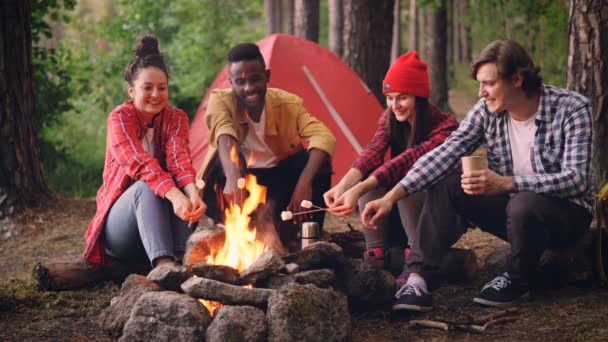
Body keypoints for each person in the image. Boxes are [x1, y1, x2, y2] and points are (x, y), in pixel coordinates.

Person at [362, 39, 594, 312]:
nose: (481, 92)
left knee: (524, 201)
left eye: (489, 83)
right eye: (479, 84)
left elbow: (577, 178)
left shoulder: (572, 108)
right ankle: (417, 277)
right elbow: (445, 153)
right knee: (449, 181)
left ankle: (517, 278)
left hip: (565, 218)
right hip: (514, 216)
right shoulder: (487, 111)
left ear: (517, 79)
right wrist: (391, 197)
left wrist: (508, 183)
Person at [323, 51, 458, 285]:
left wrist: (358, 188)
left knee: (408, 186)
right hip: (395, 215)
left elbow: (408, 160)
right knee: (375, 186)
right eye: (390, 97)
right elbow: (373, 152)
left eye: (403, 97)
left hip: (437, 218)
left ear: (420, 97)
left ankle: (416, 262)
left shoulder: (446, 127)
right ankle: (376, 258)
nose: (395, 105)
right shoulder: (390, 118)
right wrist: (344, 186)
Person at [83, 35, 206, 271]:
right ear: (131, 91)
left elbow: (180, 161)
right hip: (121, 232)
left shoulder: (176, 118)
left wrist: (192, 194)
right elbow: (141, 165)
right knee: (146, 185)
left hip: (163, 226)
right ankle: (164, 267)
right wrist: (175, 196)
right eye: (147, 88)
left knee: (181, 185)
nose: (155, 94)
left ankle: (184, 260)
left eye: (162, 88)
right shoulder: (119, 118)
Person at [199, 42, 335, 252]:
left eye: (255, 79)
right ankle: (235, 231)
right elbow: (223, 132)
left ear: (267, 76)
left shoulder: (287, 104)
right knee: (219, 163)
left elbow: (324, 136)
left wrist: (304, 183)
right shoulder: (221, 101)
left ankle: (307, 239)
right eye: (240, 82)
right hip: (237, 185)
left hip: (278, 186)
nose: (249, 88)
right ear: (231, 83)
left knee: (318, 160)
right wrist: (234, 176)